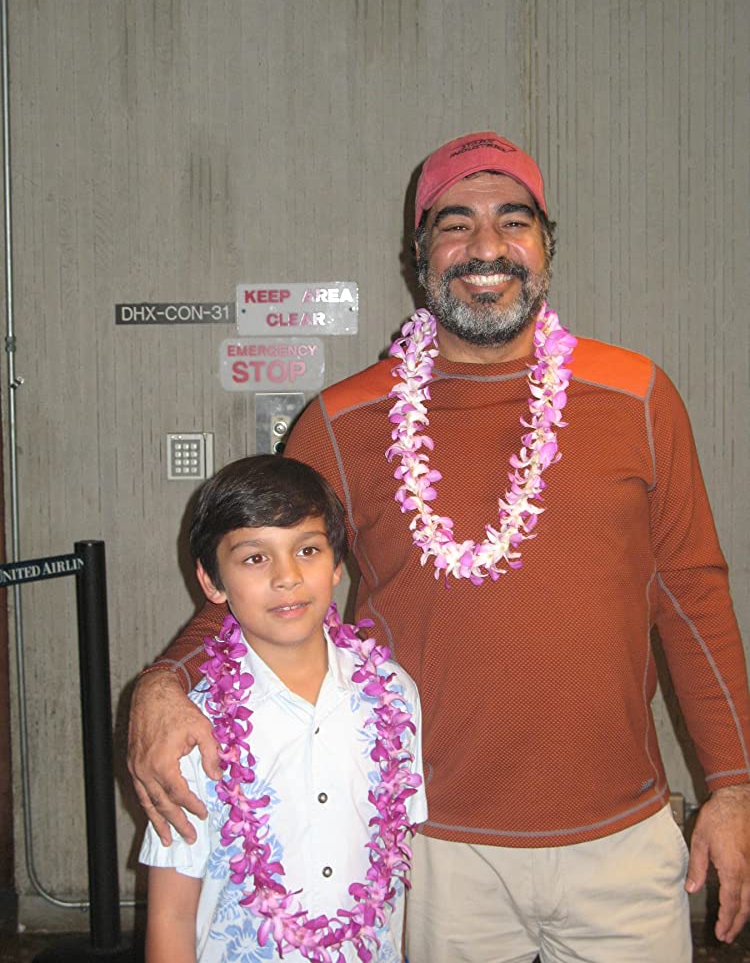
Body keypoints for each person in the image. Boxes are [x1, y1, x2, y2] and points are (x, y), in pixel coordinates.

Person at [129, 132, 750, 962]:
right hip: (431, 847)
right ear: (418, 256)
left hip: (622, 838)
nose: (487, 246)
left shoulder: (637, 395)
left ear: (547, 245)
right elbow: (261, 584)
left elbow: (693, 593)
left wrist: (733, 786)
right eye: (456, 225)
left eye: (513, 221)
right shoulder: (343, 422)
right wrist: (163, 682)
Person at [137, 454, 426, 962]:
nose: (287, 576)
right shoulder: (190, 727)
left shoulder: (393, 696)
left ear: (337, 564)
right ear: (212, 582)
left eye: (308, 550)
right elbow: (171, 913)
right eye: (255, 558)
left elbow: (397, 867)